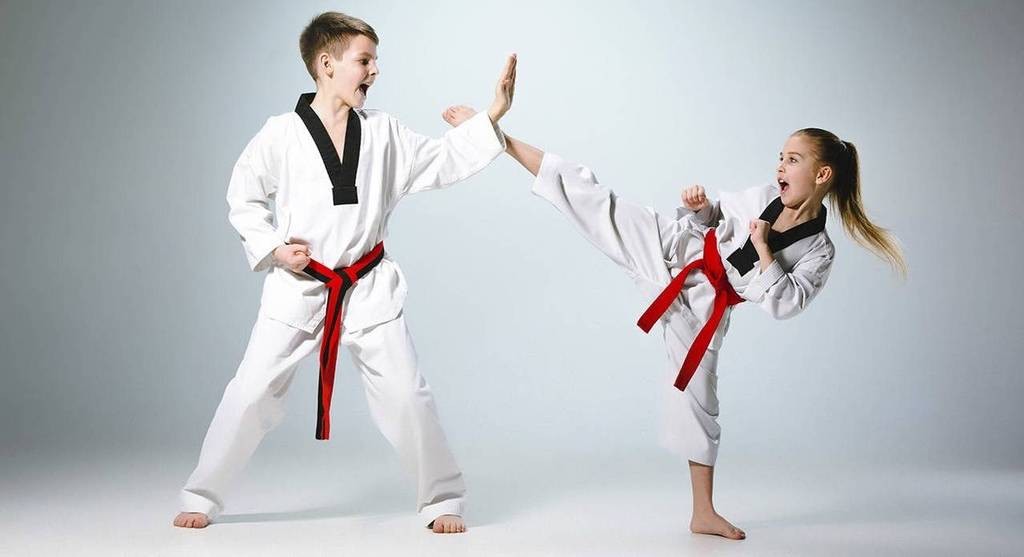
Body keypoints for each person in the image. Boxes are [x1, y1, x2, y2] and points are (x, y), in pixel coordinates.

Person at [442, 106, 904, 540]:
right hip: (678, 248)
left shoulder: (819, 250)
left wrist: (764, 249)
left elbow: (786, 304)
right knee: (594, 196)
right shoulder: (766, 196)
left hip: (704, 306)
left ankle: (703, 512)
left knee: (698, 397)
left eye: (793, 160)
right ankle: (498, 137)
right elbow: (717, 217)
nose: (780, 166)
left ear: (822, 175)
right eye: (780, 157)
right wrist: (701, 208)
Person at [174, 13, 516, 534]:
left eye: (375, 61)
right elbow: (243, 197)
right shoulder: (280, 134)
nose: (375, 70)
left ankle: (442, 498)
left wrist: (492, 113)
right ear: (326, 64)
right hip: (299, 287)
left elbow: (443, 160)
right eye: (365, 60)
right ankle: (202, 493)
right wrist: (273, 248)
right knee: (250, 393)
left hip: (368, 285)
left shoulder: (383, 132)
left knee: (407, 395)